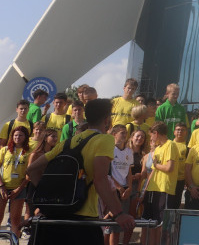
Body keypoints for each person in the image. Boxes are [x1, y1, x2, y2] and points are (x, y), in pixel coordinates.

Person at [26, 98, 136, 245]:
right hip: (83, 218)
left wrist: (48, 192)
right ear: (107, 119)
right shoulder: (105, 140)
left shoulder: (68, 142)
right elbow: (100, 179)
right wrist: (119, 214)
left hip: (54, 216)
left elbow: (31, 169)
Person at [141, 123, 178, 245]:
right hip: (153, 189)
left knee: (163, 224)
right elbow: (152, 171)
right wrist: (145, 189)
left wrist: (156, 165)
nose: (151, 138)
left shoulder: (170, 145)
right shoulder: (158, 148)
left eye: (151, 135)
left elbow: (169, 167)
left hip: (164, 189)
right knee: (152, 223)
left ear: (156, 133)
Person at [0, 127, 30, 238]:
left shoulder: (29, 152)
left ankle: (15, 240)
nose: (17, 137)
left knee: (15, 220)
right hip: (3, 187)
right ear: (12, 137)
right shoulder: (5, 150)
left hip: (19, 188)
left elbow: (29, 174)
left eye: (20, 135)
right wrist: (1, 185)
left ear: (25, 137)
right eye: (15, 135)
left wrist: (19, 189)